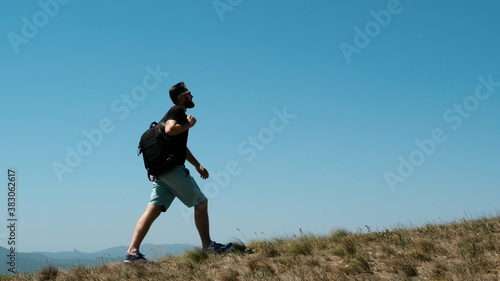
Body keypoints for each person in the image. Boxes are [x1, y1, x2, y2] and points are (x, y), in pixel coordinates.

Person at [124, 82, 232, 262]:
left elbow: (180, 146)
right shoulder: (177, 111)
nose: (192, 96)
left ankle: (132, 253)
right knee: (201, 203)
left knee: (153, 210)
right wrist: (188, 125)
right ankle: (208, 246)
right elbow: (170, 130)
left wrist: (197, 165)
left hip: (160, 172)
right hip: (172, 169)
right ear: (181, 97)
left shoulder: (170, 115)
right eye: (190, 93)